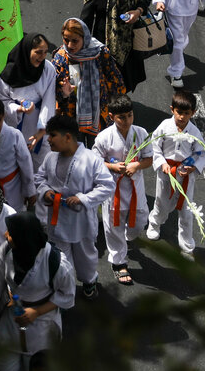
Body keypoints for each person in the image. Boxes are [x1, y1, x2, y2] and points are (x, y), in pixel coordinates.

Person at [0, 212, 77, 371]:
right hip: (10, 324)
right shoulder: (6, 251)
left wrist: (36, 311)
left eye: (10, 233)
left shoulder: (55, 263)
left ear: (23, 238)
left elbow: (68, 295)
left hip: (42, 330)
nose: (5, 235)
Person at [35, 114, 115, 299]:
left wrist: (83, 199)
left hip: (81, 220)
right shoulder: (50, 158)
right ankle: (65, 288)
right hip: (57, 218)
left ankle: (89, 279)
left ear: (68, 137)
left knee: (85, 256)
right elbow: (39, 178)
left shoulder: (91, 159)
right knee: (62, 258)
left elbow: (107, 185)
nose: (49, 140)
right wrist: (45, 191)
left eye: (52, 135)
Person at [94, 95, 153, 285]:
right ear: (112, 117)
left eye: (129, 115)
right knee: (113, 226)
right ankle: (119, 263)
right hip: (113, 190)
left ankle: (127, 239)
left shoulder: (141, 133)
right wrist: (112, 167)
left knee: (139, 222)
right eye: (122, 117)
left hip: (136, 188)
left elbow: (149, 159)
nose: (127, 120)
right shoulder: (104, 137)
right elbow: (95, 162)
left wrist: (136, 166)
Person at [145, 87, 205, 254]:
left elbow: (201, 153)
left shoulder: (194, 132)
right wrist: (161, 163)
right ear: (172, 109)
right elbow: (155, 147)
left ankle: (186, 242)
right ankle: (154, 223)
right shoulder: (165, 126)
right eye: (179, 112)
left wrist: (192, 167)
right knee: (161, 203)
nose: (181, 117)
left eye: (186, 113)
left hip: (185, 176)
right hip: (166, 174)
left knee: (186, 211)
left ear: (193, 113)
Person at [80, 0, 150, 91]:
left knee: (127, 73)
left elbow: (143, 2)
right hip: (103, 39)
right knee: (106, 74)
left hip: (128, 38)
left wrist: (137, 12)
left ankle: (121, 101)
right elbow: (86, 17)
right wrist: (82, 41)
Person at [52, 17, 128, 141]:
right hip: (71, 119)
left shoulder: (100, 53)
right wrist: (63, 93)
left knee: (98, 154)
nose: (70, 45)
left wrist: (116, 108)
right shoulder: (60, 58)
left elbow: (115, 81)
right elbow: (52, 91)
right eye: (66, 40)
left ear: (85, 38)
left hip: (99, 116)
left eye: (75, 41)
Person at [0, 33, 59, 171]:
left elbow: (49, 100)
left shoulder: (48, 69)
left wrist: (42, 131)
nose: (42, 56)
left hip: (39, 126)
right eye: (38, 52)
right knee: (14, 167)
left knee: (42, 168)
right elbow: (1, 100)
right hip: (15, 125)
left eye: (45, 52)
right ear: (27, 51)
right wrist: (17, 108)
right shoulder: (10, 72)